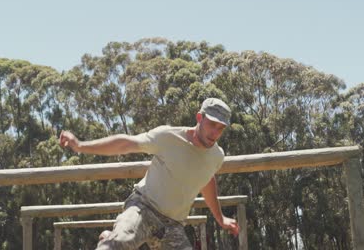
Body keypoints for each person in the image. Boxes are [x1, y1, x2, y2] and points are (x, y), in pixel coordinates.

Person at [59, 98, 239, 250]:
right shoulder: (168, 137)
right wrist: (81, 146)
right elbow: (126, 143)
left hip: (172, 224)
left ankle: (109, 235)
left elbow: (206, 180)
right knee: (117, 244)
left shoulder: (216, 155)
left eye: (221, 128)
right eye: (212, 125)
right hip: (143, 208)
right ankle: (112, 237)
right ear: (199, 117)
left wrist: (220, 218)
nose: (215, 133)